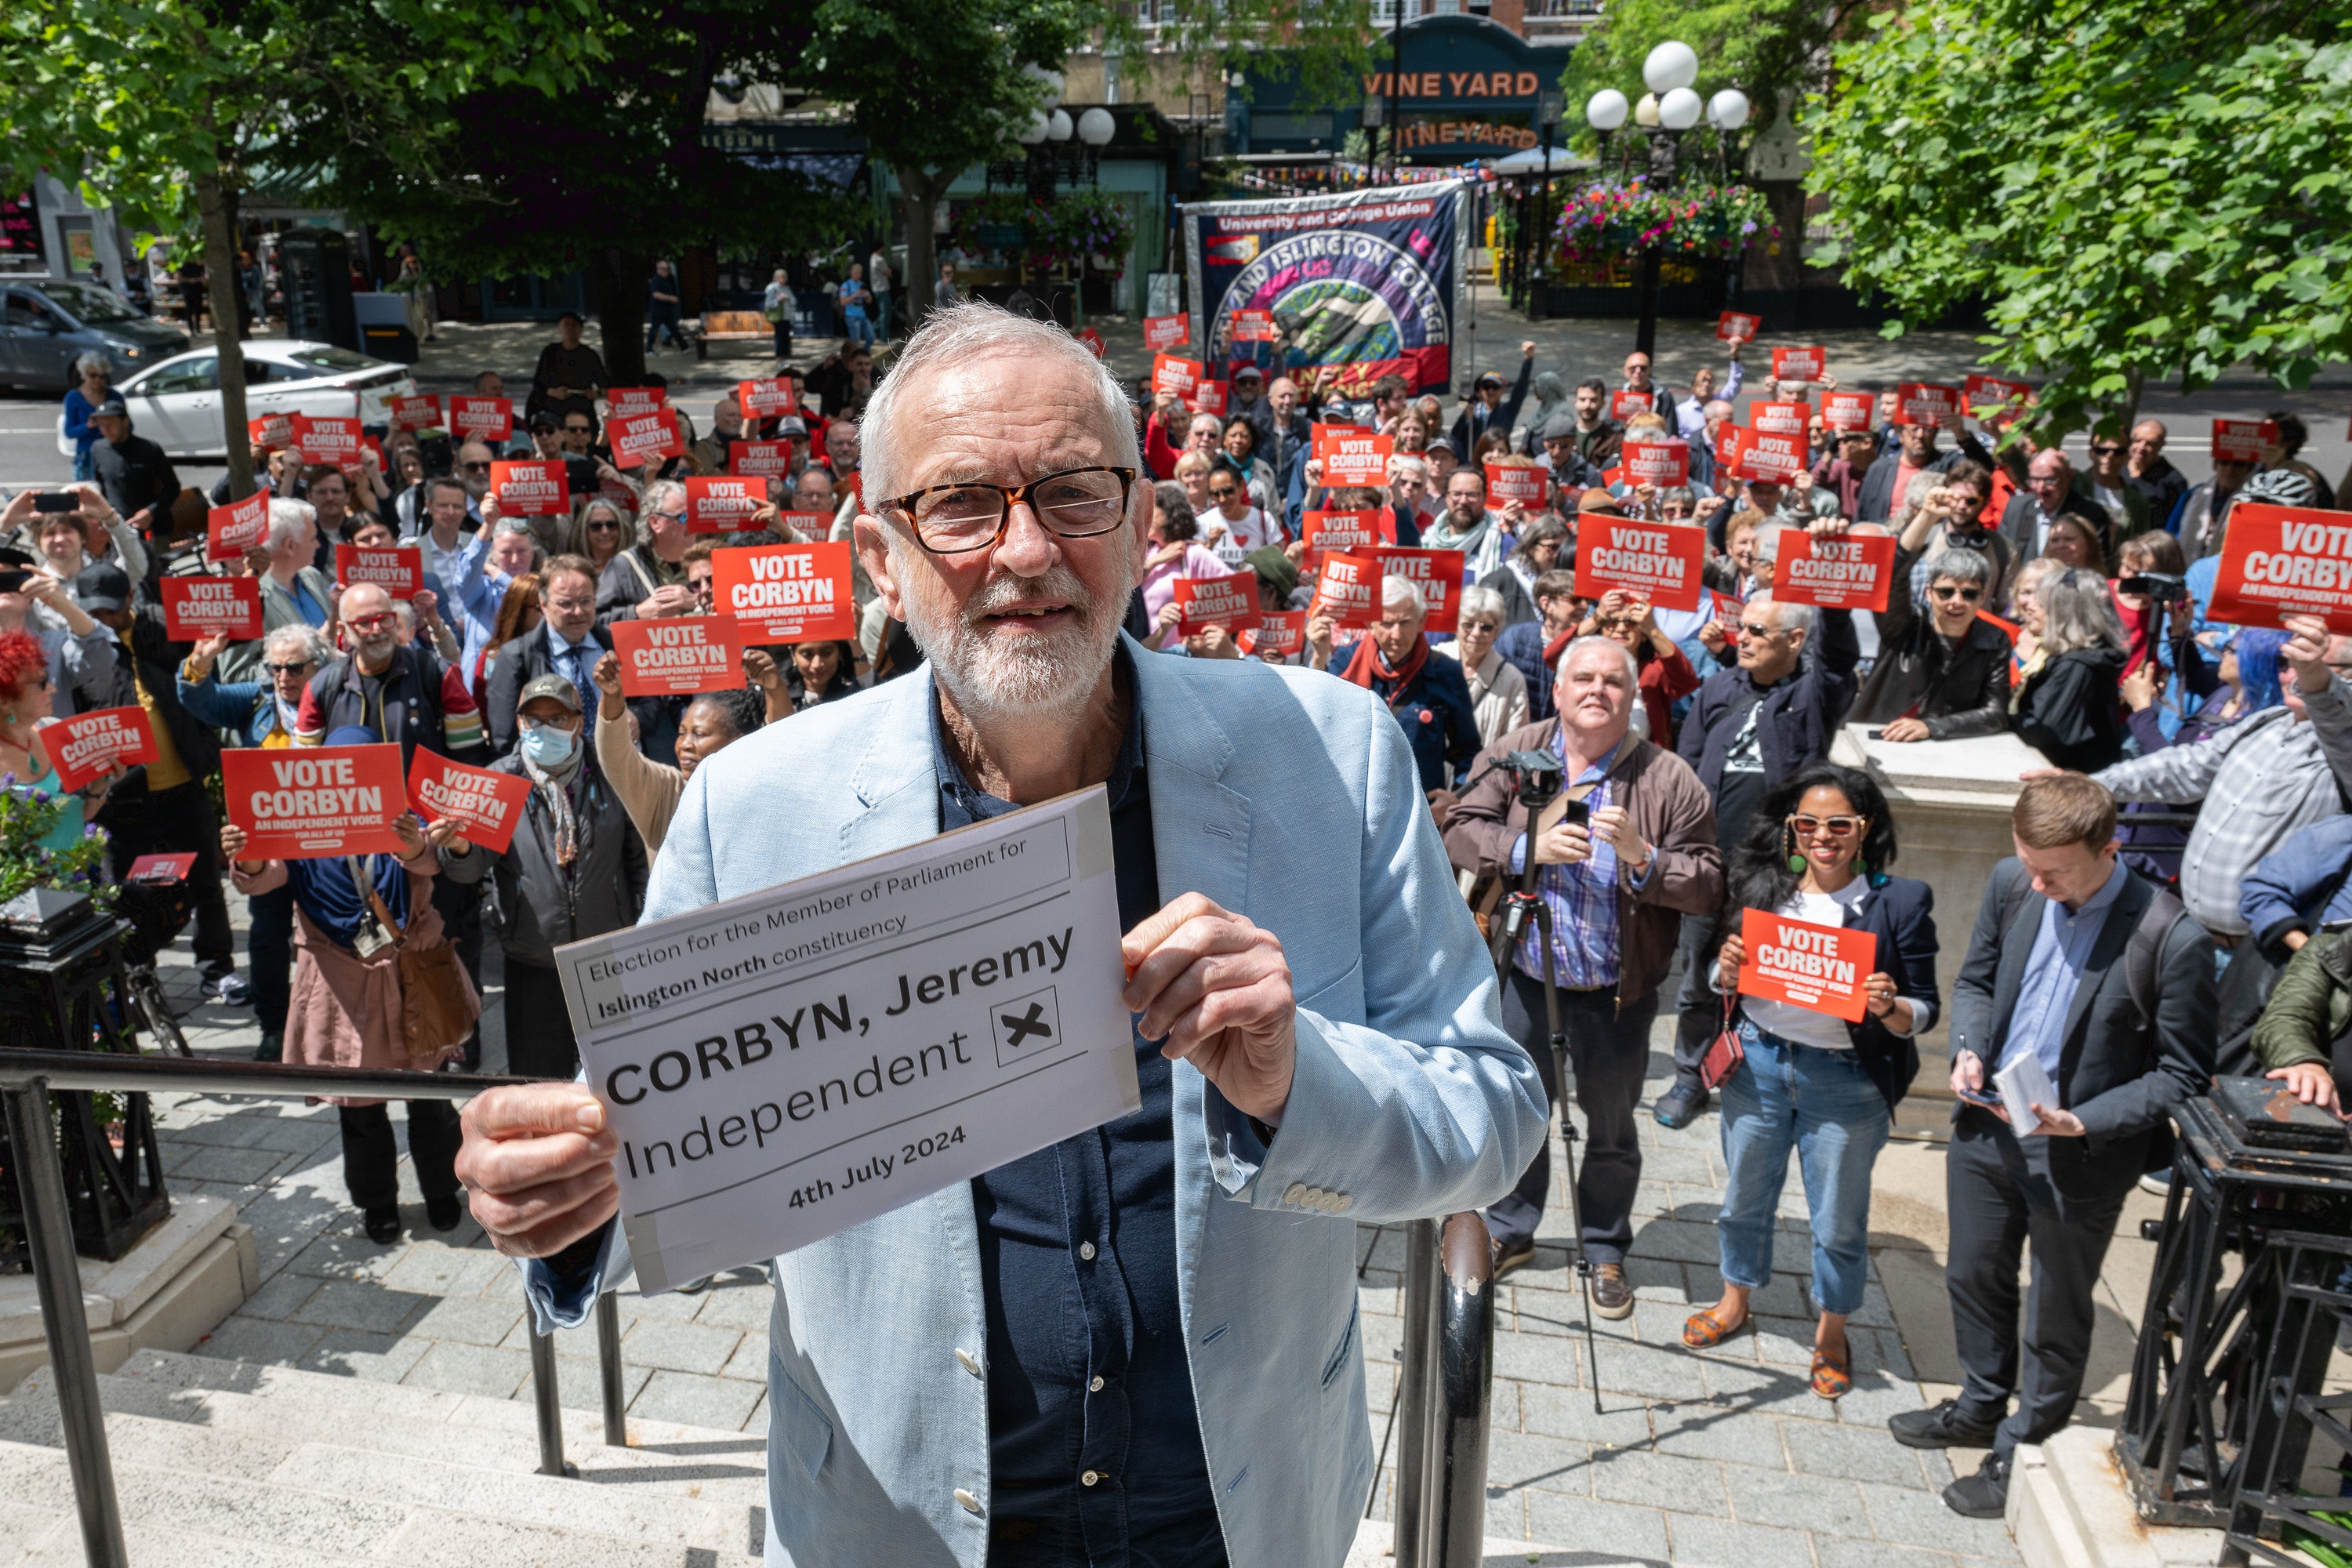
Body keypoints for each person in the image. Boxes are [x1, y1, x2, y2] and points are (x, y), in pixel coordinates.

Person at [456, 298, 1546, 1566]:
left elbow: (1498, 1110)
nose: (1025, 550)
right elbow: (648, 1142)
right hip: (894, 1526)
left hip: (1237, 1522)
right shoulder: (752, 808)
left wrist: (1302, 1080)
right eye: (964, 504)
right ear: (880, 555)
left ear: (1141, 519)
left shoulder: (1333, 755)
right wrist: (559, 1190)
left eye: (1075, 492)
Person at [1902, 773, 2215, 1519]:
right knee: (1973, 1273)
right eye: (2030, 865)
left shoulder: (2172, 936)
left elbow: (2183, 1076)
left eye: (2058, 873)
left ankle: (2024, 1445)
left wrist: (2084, 1120)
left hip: (2079, 1153)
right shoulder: (2014, 881)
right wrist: (1972, 1047)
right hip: (1987, 1125)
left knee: (2055, 1309)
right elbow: (1976, 982)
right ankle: (1980, 1403)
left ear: (2110, 850)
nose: (2040, 885)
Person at [1444, 637, 1723, 1294]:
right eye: (1585, 679)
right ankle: (1512, 1226)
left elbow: (1709, 880)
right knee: (1521, 1111)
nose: (1598, 690)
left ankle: (1604, 1245)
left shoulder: (1667, 777)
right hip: (1527, 978)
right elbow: (1458, 824)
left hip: (1615, 995)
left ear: (1633, 697)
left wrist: (1644, 857)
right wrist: (1523, 847)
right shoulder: (1517, 753)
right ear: (1560, 690)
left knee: (1612, 1126)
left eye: (1614, 682)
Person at [1683, 763, 1937, 1399]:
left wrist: (1889, 1005)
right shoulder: (1763, 887)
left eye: (1839, 825)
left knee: (1838, 1220)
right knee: (1744, 1198)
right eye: (1808, 824)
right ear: (1792, 831)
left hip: (1845, 1084)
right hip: (1761, 1068)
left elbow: (1925, 1009)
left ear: (1864, 828)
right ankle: (1735, 1298)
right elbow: (1719, 976)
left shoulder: (1898, 900)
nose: (1823, 836)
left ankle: (1831, 1331)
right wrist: (1728, 970)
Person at [223, 747, 474, 1245]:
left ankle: (442, 1191)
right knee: (358, 1107)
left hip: (409, 980)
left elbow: (430, 864)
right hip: (341, 985)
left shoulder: (403, 821)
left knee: (429, 1099)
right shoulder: (298, 832)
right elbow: (265, 876)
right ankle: (377, 1202)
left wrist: (409, 848)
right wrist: (246, 854)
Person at [1659, 593, 1861, 1127]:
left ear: (1795, 641)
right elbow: (1689, 764)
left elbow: (1840, 660)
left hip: (1776, 870)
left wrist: (1833, 600)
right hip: (1709, 862)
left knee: (1764, 973)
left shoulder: (1815, 694)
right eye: (1741, 628)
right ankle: (1690, 1078)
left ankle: (1762, 1084)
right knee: (1699, 975)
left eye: (1757, 632)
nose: (1741, 638)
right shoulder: (1720, 688)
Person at [436, 673, 644, 1081]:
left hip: (604, 952)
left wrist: (639, 922)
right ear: (518, 725)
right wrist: (458, 846)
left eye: (557, 719)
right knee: (539, 1084)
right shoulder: (500, 781)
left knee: (618, 1075)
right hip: (532, 954)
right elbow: (470, 869)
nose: (544, 729)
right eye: (534, 720)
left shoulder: (610, 771)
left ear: (579, 723)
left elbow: (638, 859)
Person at [75, 562, 242, 1001]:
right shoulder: (83, 650)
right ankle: (137, 975)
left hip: (182, 784)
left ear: (130, 599)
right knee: (125, 893)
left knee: (206, 881)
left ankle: (217, 969)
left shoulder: (163, 627)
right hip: (123, 798)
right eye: (95, 613)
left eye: (111, 611)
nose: (103, 621)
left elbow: (212, 652)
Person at [179, 622, 329, 1058]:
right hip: (269, 838)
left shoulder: (337, 694)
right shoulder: (257, 698)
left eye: (295, 668)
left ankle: (329, 1021)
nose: (283, 678)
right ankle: (273, 1025)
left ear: (318, 668)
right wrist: (201, 663)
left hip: (324, 836)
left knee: (331, 929)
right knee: (267, 933)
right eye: (275, 667)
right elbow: (200, 701)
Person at [1315, 576, 1481, 809]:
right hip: (1355, 807)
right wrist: (1318, 658)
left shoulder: (1446, 672)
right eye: (1386, 623)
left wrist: (1455, 798)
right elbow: (1321, 724)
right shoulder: (1346, 663)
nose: (1396, 635)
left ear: (1422, 620)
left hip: (1420, 813)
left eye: (1405, 623)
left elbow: (1468, 750)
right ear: (1370, 623)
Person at [295, 581, 485, 762]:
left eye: (384, 619)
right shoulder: (321, 687)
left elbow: (470, 762)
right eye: (364, 623)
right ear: (343, 631)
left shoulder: (439, 673)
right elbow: (306, 770)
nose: (377, 630)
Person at [1854, 545, 2013, 740]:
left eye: (1969, 594)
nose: (1957, 601)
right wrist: (1926, 517)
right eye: (1946, 592)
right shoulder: (1905, 624)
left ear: (1983, 597)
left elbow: (1996, 714)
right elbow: (1892, 575)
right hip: (1876, 736)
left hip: (1945, 748)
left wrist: (1931, 727)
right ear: (1929, 592)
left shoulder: (1995, 640)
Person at [0, 627, 122, 857]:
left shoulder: (54, 729)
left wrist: (98, 787)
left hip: (73, 883)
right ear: (5, 701)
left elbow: (81, 815)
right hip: (21, 889)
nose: (52, 688)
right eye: (41, 683)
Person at [487, 554, 612, 757]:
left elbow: (646, 704)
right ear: (544, 605)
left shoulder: (613, 644)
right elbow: (504, 737)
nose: (578, 611)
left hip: (616, 769)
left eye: (585, 601)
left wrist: (636, 717)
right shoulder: (517, 655)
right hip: (549, 774)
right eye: (565, 604)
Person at [2010, 567, 2127, 772]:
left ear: (2068, 613)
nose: (2030, 606)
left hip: (2070, 784)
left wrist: (2001, 719)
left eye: (2044, 603)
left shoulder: (2077, 666)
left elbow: (2045, 732)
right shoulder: (2079, 657)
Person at [1582, 589, 1701, 750]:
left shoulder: (1654, 670)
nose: (1621, 629)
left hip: (1644, 764)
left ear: (1643, 634)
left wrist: (1653, 630)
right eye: (1611, 623)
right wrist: (1596, 618)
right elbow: (1552, 657)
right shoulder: (1584, 664)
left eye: (1631, 623)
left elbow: (1687, 682)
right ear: (1601, 631)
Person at [1432, 586, 1527, 746]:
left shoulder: (1512, 680)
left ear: (1497, 631)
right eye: (1468, 625)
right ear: (1455, 625)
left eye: (1486, 627)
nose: (1476, 633)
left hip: (1482, 769)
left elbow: (1515, 744)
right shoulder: (1433, 661)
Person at [86, 398, 180, 538]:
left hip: (154, 527)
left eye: (110, 424)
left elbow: (173, 488)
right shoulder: (98, 449)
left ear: (125, 422)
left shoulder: (149, 449)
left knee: (156, 559)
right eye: (101, 425)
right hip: (119, 528)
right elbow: (101, 488)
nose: (106, 430)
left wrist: (150, 512)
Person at [1448, 342, 1537, 455]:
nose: (1490, 391)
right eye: (1486, 387)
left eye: (1495, 387)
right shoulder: (1473, 410)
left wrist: (1528, 360)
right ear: (1480, 391)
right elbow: (1455, 436)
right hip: (1475, 462)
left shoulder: (1508, 410)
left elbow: (1520, 390)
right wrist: (1464, 418)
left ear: (1503, 390)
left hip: (1499, 460)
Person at [528, 313, 607, 427]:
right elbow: (538, 383)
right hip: (553, 411)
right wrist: (554, 392)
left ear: (581, 329)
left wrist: (596, 393)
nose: (570, 328)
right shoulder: (550, 352)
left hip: (581, 411)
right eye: (566, 325)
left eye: (574, 325)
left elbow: (605, 385)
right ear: (560, 328)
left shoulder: (589, 355)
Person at [2123, 419, 2190, 532]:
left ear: (2161, 445)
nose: (2141, 447)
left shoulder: (2174, 481)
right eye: (2138, 440)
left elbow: (2179, 522)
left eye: (2150, 443)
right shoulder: (2116, 467)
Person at [63, 354, 112, 484]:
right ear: (83, 375)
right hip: (86, 456)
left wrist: (110, 425)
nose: (97, 380)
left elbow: (128, 425)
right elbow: (69, 431)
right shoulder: (73, 397)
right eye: (92, 376)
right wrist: (87, 426)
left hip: (112, 453)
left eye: (102, 376)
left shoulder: (114, 396)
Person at [644, 261, 684, 352]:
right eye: (664, 269)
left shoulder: (668, 279)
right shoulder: (656, 280)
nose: (667, 271)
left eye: (667, 269)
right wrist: (670, 298)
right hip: (658, 310)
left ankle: (684, 346)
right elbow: (656, 294)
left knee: (673, 329)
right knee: (654, 330)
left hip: (667, 309)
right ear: (659, 269)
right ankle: (649, 349)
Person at [837, 262, 874, 347]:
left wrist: (866, 295)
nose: (858, 275)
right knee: (855, 342)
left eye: (859, 273)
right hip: (851, 317)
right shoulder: (846, 285)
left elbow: (869, 301)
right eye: (856, 273)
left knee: (871, 338)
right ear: (851, 273)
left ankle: (864, 353)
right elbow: (843, 302)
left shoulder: (862, 285)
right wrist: (855, 295)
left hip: (863, 316)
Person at [762, 267, 795, 359]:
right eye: (780, 277)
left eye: (784, 277)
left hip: (787, 316)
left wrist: (788, 298)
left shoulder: (787, 288)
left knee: (786, 335)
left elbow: (794, 301)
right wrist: (778, 300)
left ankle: (785, 353)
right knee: (780, 336)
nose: (782, 279)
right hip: (778, 316)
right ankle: (779, 354)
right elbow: (768, 304)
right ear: (776, 278)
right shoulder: (772, 288)